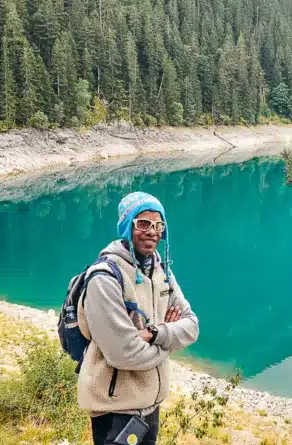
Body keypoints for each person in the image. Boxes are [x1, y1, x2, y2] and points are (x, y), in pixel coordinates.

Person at [77, 191, 199, 445]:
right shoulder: (105, 278)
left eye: (158, 225)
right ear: (126, 226)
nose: (152, 231)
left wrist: (155, 334)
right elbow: (123, 353)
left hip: (150, 404)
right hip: (115, 408)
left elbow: (191, 326)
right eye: (143, 223)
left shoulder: (160, 270)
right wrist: (168, 344)